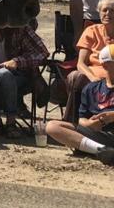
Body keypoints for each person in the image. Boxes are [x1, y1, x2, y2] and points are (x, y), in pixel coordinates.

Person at [45, 31, 114, 165]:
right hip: (99, 134)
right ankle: (102, 150)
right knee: (52, 126)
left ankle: (94, 149)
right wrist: (91, 124)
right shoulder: (92, 89)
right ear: (105, 65)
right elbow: (82, 120)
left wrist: (111, 116)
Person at [58, 0, 114, 124]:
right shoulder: (91, 31)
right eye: (104, 10)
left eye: (113, 10)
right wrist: (93, 78)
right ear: (99, 12)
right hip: (93, 76)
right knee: (76, 77)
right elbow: (81, 64)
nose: (108, 13)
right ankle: (72, 122)